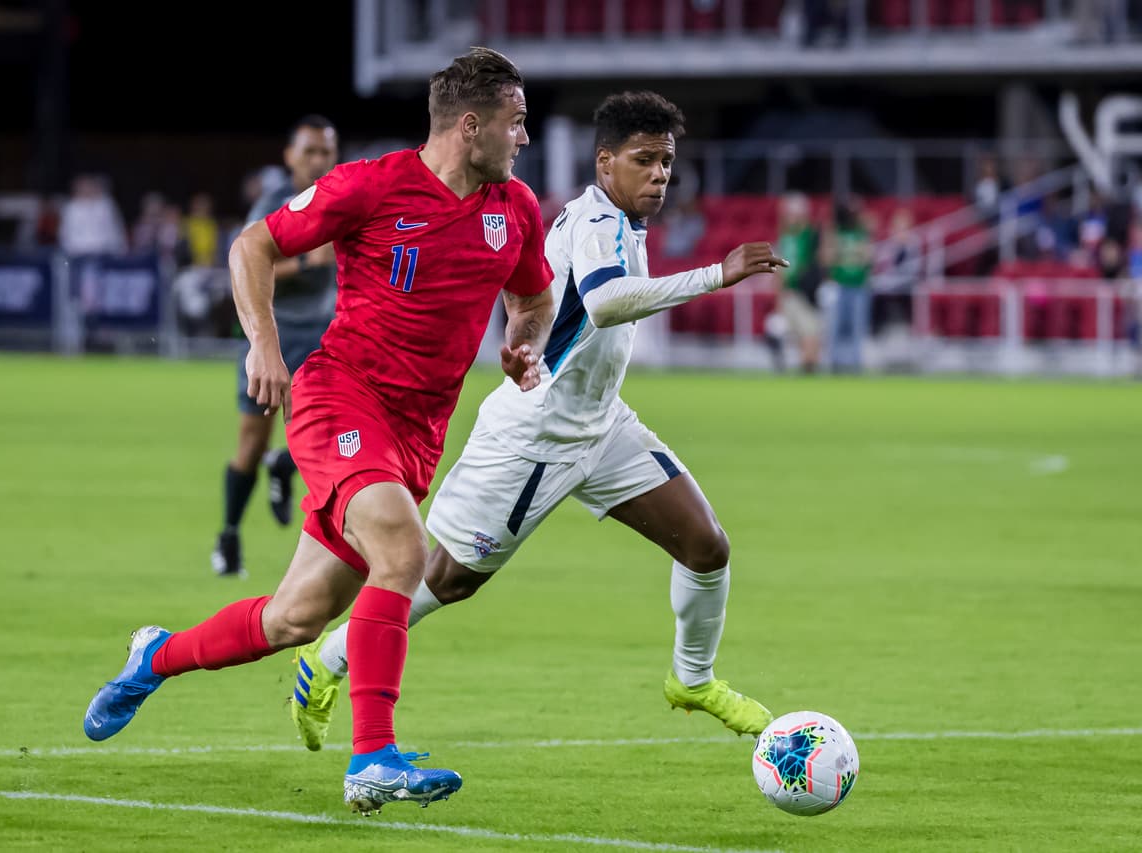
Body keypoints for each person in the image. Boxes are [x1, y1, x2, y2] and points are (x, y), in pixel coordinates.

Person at [82, 47, 556, 817]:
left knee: (295, 617)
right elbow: (253, 245)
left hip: (416, 433)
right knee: (404, 552)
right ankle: (372, 758)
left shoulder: (516, 210)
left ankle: (153, 657)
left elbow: (534, 298)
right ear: (471, 126)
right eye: (517, 122)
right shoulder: (371, 184)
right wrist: (262, 343)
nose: (524, 138)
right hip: (340, 398)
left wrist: (524, 342)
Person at [287, 90, 785, 756]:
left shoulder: (620, 222)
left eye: (667, 163)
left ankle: (692, 680)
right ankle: (329, 657)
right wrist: (716, 275)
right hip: (535, 435)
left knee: (707, 546)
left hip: (601, 426)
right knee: (447, 578)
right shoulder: (593, 223)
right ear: (605, 162)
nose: (659, 176)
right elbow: (606, 303)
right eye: (645, 161)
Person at [211, 115, 340, 578]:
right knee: (251, 441)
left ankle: (286, 466)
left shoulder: (343, 197)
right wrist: (306, 260)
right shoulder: (273, 202)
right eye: (310, 151)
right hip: (272, 332)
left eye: (326, 151)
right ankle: (228, 536)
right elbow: (246, 262)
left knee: (333, 432)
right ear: (290, 156)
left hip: (325, 334)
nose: (319, 160)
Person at [771, 192, 823, 373]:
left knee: (810, 333)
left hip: (805, 293)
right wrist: (778, 297)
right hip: (789, 293)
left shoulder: (809, 237)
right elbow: (777, 272)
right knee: (795, 335)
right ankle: (800, 367)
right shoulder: (784, 239)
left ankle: (809, 368)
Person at [821, 195, 873, 373]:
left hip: (858, 285)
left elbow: (868, 257)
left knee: (858, 327)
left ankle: (856, 363)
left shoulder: (861, 232)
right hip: (839, 285)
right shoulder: (835, 232)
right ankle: (833, 363)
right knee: (834, 327)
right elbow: (826, 259)